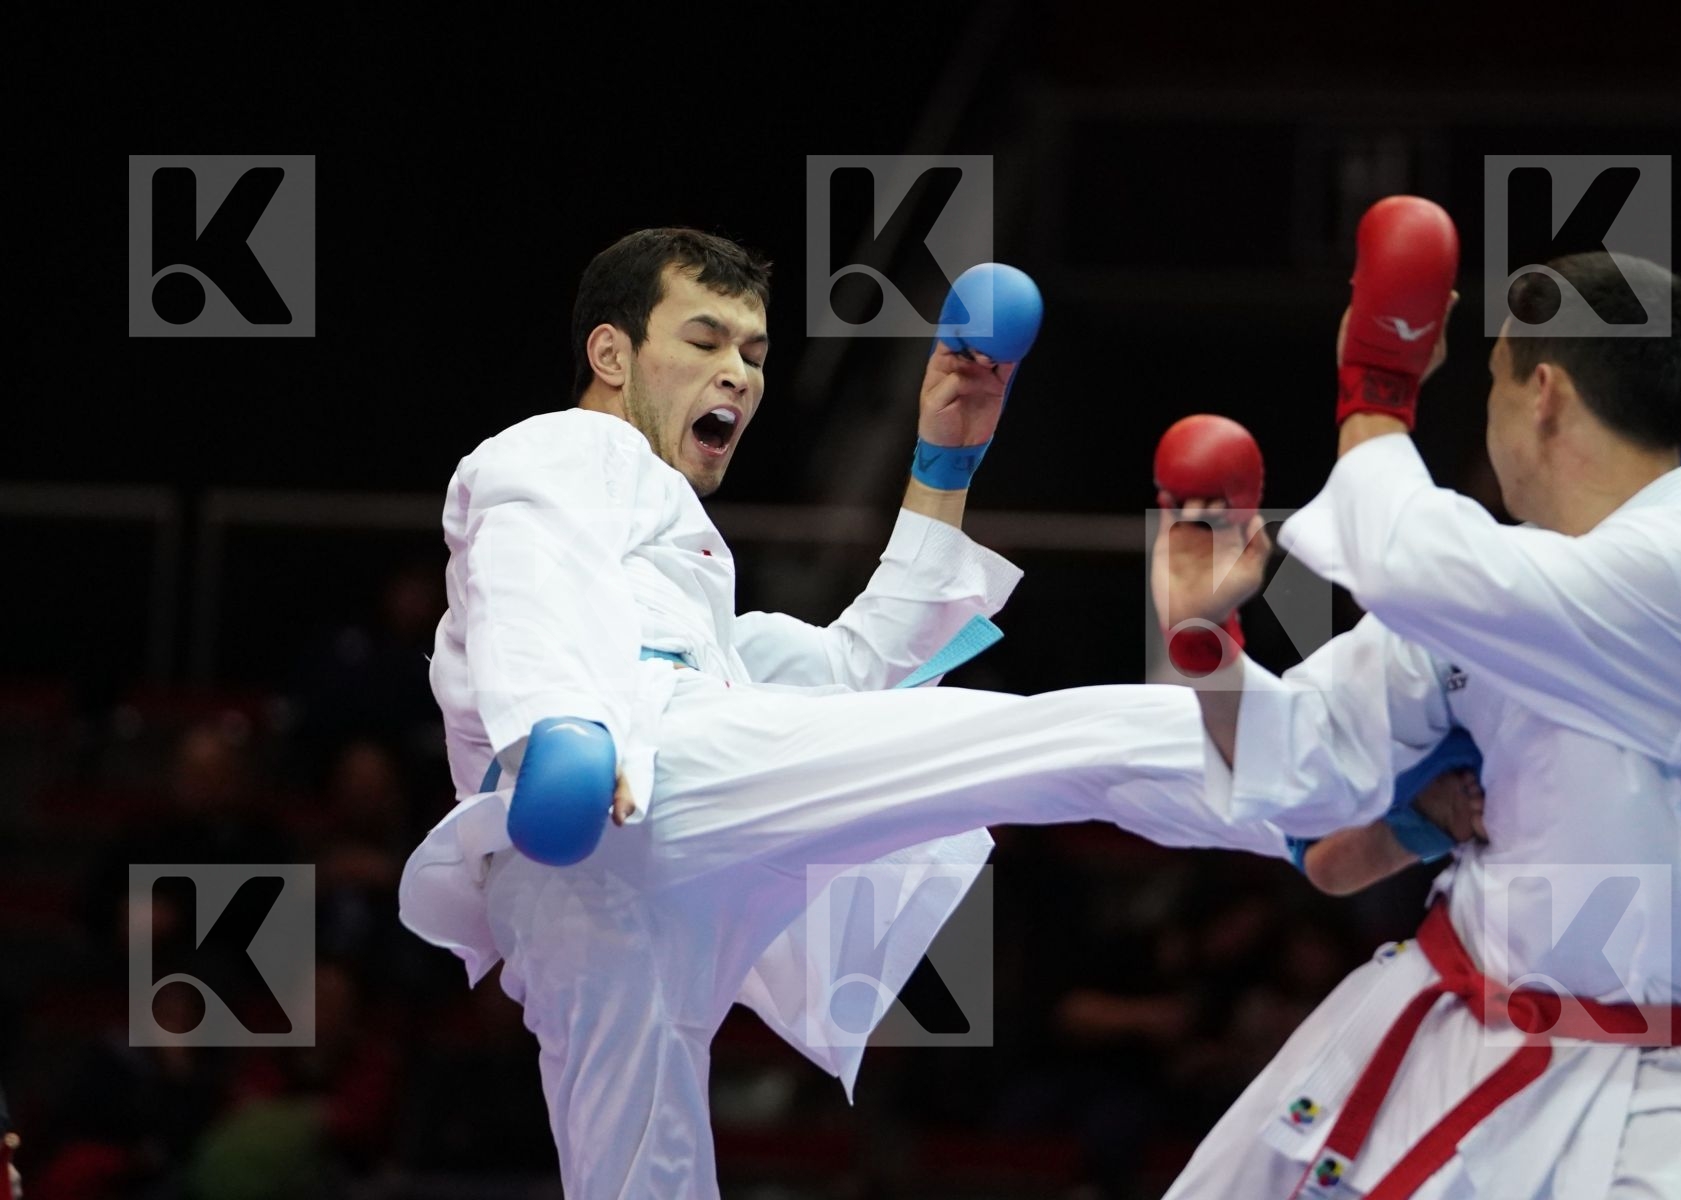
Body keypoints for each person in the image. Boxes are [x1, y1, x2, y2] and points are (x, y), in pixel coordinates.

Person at [396, 228, 1475, 1198]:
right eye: (707, 338)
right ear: (613, 355)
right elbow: (528, 567)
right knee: (1026, 743)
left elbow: (858, 670)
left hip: (593, 884)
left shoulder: (690, 609)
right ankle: (1327, 787)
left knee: (637, 1183)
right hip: (622, 783)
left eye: (757, 354)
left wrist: (944, 457)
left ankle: (1318, 813)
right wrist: (559, 730)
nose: (739, 371)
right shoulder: (559, 453)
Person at [1159, 242, 1681, 1199]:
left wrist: (1376, 383)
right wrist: (1205, 638)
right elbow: (1296, 762)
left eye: (1493, 380)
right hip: (1441, 1024)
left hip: (1643, 1105)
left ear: (1541, 391)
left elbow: (1412, 560)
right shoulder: (1496, 595)